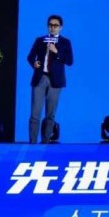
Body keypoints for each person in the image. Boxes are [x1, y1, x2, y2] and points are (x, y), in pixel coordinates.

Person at [27, 14, 74, 143]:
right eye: (50, 25)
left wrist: (57, 52)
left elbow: (70, 61)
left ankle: (45, 143)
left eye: (55, 25)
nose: (52, 28)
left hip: (56, 81)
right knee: (35, 114)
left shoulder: (65, 42)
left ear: (60, 27)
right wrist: (34, 63)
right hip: (40, 78)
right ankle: (32, 143)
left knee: (50, 115)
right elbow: (30, 56)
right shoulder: (40, 40)